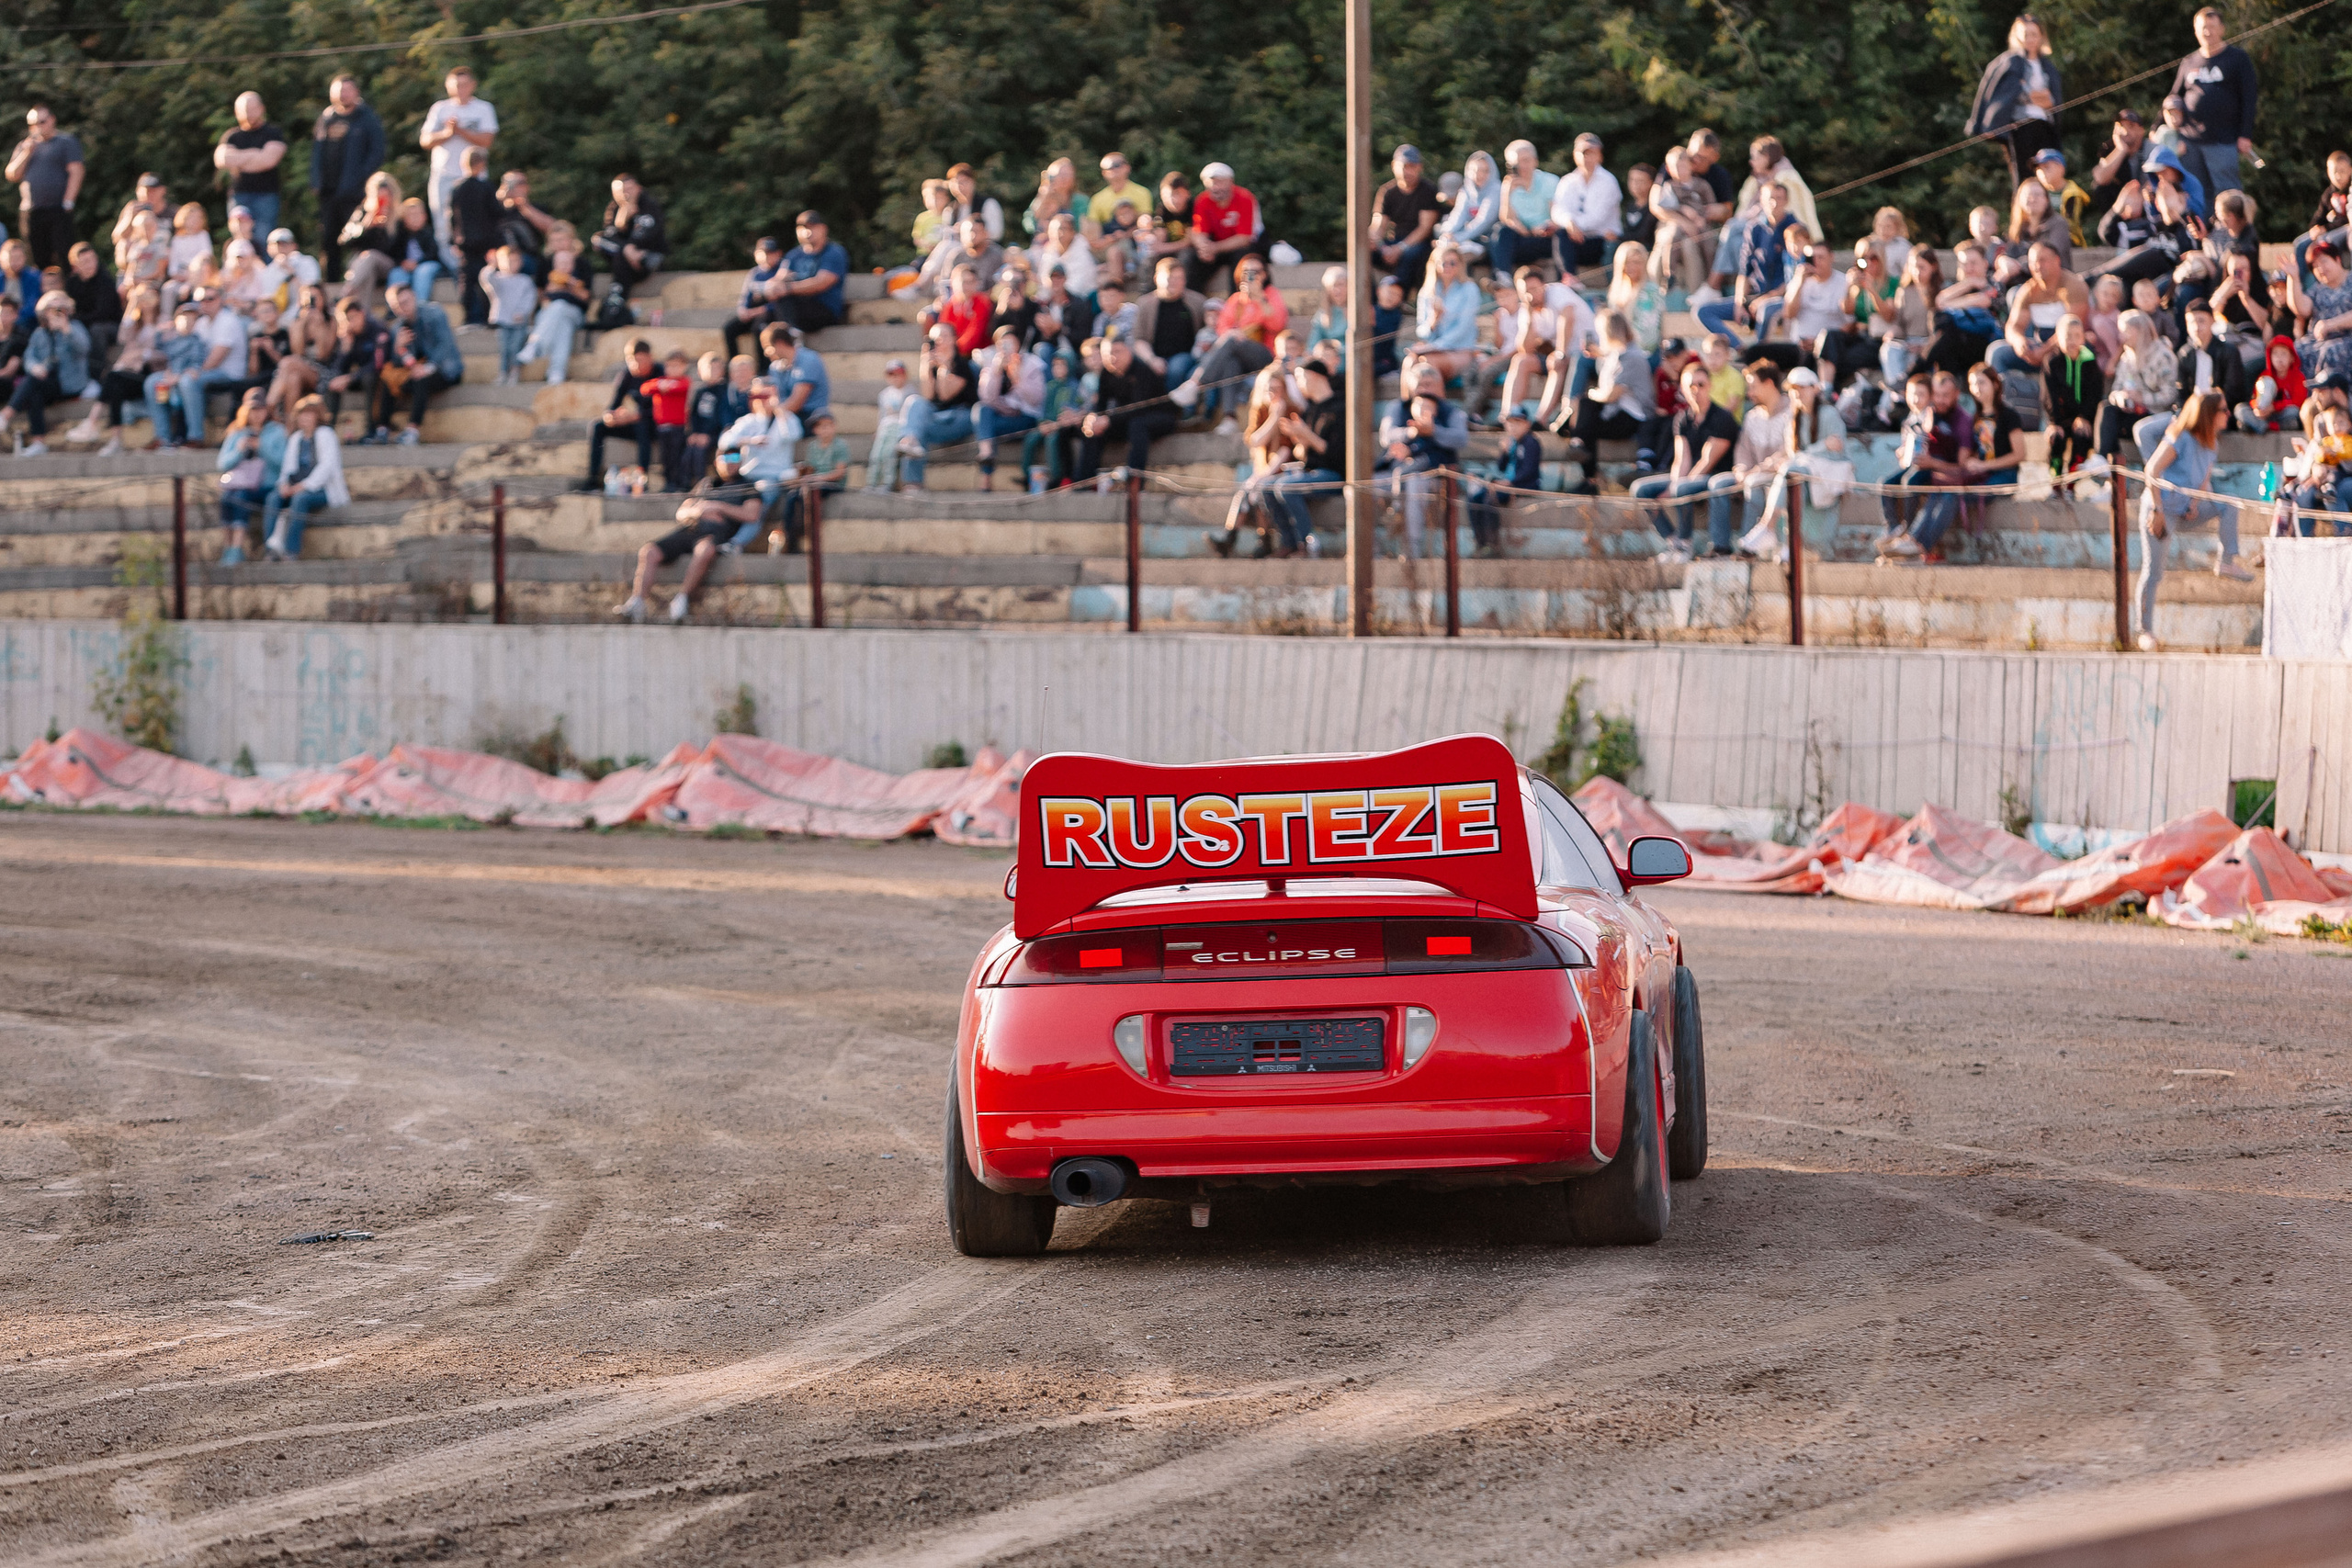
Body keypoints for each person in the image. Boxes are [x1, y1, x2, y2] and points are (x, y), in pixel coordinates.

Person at [2135, 389, 2251, 649]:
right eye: (2223, 410)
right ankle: (2144, 630)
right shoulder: (2181, 437)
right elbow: (2151, 471)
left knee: (2229, 503)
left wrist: (2196, 503)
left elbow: (2203, 479)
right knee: (2153, 572)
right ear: (2209, 413)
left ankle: (2227, 561)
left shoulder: (2212, 443)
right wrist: (2157, 511)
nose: (2228, 414)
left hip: (2186, 509)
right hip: (2161, 510)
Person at [613, 447, 764, 624]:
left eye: (735, 457)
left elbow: (752, 515)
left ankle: (682, 599)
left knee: (705, 550)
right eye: (725, 457)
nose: (730, 462)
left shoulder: (747, 486)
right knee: (649, 551)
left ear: (740, 462)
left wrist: (719, 507)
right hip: (692, 529)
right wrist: (699, 511)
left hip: (717, 532)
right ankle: (637, 602)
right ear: (716, 462)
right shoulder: (707, 484)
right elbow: (682, 512)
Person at [1633, 360, 1739, 560]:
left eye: (1701, 384)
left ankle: (1685, 544)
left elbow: (1707, 461)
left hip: (1716, 476)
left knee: (1682, 489)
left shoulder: (1722, 418)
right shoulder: (1682, 418)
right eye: (1691, 385)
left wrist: (1675, 489)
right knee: (1641, 489)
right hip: (1692, 476)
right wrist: (1673, 484)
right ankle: (1673, 542)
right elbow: (1682, 459)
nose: (1696, 389)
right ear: (1683, 388)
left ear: (1710, 386)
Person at [1742, 365, 1846, 558]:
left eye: (1802, 388)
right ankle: (1788, 544)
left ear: (1814, 388)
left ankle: (1767, 527)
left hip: (1828, 477)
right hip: (1805, 476)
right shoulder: (1793, 418)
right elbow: (1795, 453)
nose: (1798, 394)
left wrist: (1812, 452)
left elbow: (1835, 452)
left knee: (1792, 471)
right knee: (1786, 479)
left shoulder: (1828, 414)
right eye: (1793, 389)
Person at [1374, 362, 1468, 556]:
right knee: (1360, 489)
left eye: (1429, 384)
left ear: (1440, 386)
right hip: (1396, 471)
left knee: (1415, 483)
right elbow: (1386, 436)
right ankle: (1371, 551)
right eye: (1420, 384)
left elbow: (1460, 438)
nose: (1424, 389)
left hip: (1433, 474)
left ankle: (1411, 552)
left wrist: (1433, 431)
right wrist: (1412, 432)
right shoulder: (1398, 407)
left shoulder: (1450, 411)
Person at [1877, 371, 1971, 559]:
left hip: (1946, 477)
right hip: (1924, 469)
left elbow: (1962, 467)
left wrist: (1932, 463)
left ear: (1956, 395)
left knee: (1914, 482)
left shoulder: (1961, 421)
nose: (1940, 400)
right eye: (1937, 395)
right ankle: (1896, 529)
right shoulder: (1928, 415)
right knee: (1886, 483)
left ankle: (1911, 536)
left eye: (1946, 395)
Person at [1964, 14, 2064, 190]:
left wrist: (2032, 95)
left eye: (2034, 34)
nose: (2030, 39)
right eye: (2025, 34)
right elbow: (2008, 94)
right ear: (2017, 36)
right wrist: (2033, 96)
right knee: (2024, 178)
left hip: (2045, 127)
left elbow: (2051, 101)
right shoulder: (2010, 62)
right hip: (2020, 127)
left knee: (2048, 177)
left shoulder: (2047, 66)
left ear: (2041, 36)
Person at [2170, 6, 2258, 199]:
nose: (2207, 32)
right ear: (2195, 31)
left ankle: (2233, 230)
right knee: (2195, 194)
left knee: (2229, 196)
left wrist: (2245, 134)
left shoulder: (2237, 58)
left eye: (2211, 26)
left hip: (2223, 141)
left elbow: (2249, 98)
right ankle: (2204, 230)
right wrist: (2157, 126)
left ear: (2222, 29)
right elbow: (2174, 97)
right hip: (2190, 141)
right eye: (2202, 27)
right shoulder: (2189, 61)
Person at [1696, 179, 1799, 344]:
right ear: (1762, 201)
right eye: (1770, 198)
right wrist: (1739, 303)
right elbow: (1745, 271)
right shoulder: (1754, 228)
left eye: (1779, 198)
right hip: (1755, 296)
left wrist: (1766, 299)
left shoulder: (1794, 229)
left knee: (1766, 310)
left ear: (1786, 201)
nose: (1774, 203)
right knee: (1703, 311)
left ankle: (1757, 352)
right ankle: (1739, 347)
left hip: (1782, 298)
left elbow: (1794, 277)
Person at [310, 75, 385, 284]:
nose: (343, 94)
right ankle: (332, 283)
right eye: (339, 90)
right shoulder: (326, 118)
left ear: (356, 91)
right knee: (329, 240)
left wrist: (360, 177)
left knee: (357, 239)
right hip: (328, 193)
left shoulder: (367, 118)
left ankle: (358, 282)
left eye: (347, 89)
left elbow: (377, 152)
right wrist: (316, 181)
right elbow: (317, 153)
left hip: (355, 193)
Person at [1074, 332, 1174, 486]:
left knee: (1137, 425)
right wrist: (1093, 418)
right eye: (1108, 354)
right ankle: (1084, 482)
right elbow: (1101, 405)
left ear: (1129, 351)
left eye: (1118, 352)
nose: (1113, 357)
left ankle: (1135, 481)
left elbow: (1139, 408)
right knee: (1091, 429)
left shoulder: (1142, 370)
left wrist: (1108, 420)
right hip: (1127, 418)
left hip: (1159, 416)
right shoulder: (1106, 374)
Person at [370, 281, 460, 445]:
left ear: (414, 296)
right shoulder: (399, 327)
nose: (402, 308)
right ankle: (382, 429)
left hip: (445, 369)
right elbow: (401, 363)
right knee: (387, 378)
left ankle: (412, 431)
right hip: (417, 369)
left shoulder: (434, 313)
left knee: (421, 379)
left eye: (405, 302)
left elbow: (445, 346)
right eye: (396, 306)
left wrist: (427, 368)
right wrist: (399, 347)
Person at [418, 67, 496, 254]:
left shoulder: (483, 109)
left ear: (472, 85)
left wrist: (461, 131)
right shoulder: (440, 109)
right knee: (443, 225)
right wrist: (447, 133)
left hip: (474, 178)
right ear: (448, 86)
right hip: (444, 175)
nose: (460, 89)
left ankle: (475, 264)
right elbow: (425, 141)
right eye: (456, 85)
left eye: (464, 85)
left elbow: (487, 140)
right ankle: (452, 266)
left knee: (477, 221)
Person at [0, 292, 88, 456]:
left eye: (59, 309)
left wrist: (65, 329)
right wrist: (34, 367)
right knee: (35, 392)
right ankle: (39, 442)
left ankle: (6, 415)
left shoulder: (75, 328)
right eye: (51, 309)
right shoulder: (39, 333)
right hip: (45, 383)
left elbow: (83, 349)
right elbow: (29, 357)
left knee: (32, 384)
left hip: (69, 383)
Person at [1561, 309, 1655, 461]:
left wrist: (1591, 393)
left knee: (1586, 406)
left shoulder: (1631, 357)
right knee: (1587, 415)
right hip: (1617, 413)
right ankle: (1580, 451)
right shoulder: (1615, 355)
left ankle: (1578, 443)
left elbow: (1611, 395)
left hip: (1632, 418)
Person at [1989, 243, 2089, 380]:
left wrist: (2043, 351)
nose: (2037, 266)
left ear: (2057, 261)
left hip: (2067, 347)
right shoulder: (2028, 291)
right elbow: (2013, 326)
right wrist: (2019, 342)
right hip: (2038, 345)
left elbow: (2073, 330)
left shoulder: (2073, 286)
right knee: (1997, 353)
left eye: (2043, 260)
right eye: (2033, 262)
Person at [263, 395, 346, 558]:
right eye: (302, 414)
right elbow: (287, 469)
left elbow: (326, 467)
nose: (304, 418)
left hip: (322, 489)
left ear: (317, 416)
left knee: (300, 499)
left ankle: (291, 551)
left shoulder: (326, 434)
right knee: (274, 498)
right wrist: (284, 484)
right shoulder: (296, 438)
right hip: (297, 486)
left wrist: (303, 486)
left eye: (309, 414)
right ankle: (271, 548)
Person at [897, 321, 977, 491]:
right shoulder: (931, 364)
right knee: (914, 403)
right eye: (934, 338)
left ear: (953, 339)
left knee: (920, 428)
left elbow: (946, 394)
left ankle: (912, 441)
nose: (938, 341)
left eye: (942, 337)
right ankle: (913, 481)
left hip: (959, 419)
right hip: (936, 418)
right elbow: (927, 397)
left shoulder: (962, 364)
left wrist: (944, 368)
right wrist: (925, 366)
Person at [6, 106, 85, 272]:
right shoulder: (25, 146)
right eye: (32, 124)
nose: (37, 127)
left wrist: (68, 202)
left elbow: (76, 171)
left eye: (42, 121)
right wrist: (27, 152)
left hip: (58, 209)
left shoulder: (66, 142)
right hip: (31, 211)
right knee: (39, 259)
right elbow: (12, 174)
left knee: (65, 257)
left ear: (52, 119)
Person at [213, 389, 284, 563]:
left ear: (267, 410)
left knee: (240, 497)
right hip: (240, 483)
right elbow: (222, 464)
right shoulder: (237, 432)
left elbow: (283, 463)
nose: (257, 414)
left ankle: (237, 548)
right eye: (253, 409)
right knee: (227, 498)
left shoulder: (277, 431)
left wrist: (262, 447)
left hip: (266, 485)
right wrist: (239, 450)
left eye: (260, 409)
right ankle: (229, 547)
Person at [2098, 307, 2180, 456]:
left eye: (2125, 331)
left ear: (2140, 331)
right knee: (2107, 408)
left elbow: (2170, 395)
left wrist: (2142, 398)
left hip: (2157, 414)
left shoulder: (2163, 356)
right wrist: (2120, 397)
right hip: (2132, 412)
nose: (2121, 336)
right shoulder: (2126, 358)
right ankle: (2103, 458)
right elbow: (2115, 390)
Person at [972, 323, 1043, 491]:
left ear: (1018, 344)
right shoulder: (992, 364)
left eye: (1011, 343)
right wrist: (996, 372)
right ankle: (986, 456)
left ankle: (986, 474)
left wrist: (1018, 378)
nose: (1007, 348)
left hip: (1026, 418)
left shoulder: (1032, 363)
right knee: (982, 410)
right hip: (1002, 417)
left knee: (986, 430)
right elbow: (987, 398)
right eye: (1003, 344)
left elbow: (1036, 400)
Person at [1133, 256, 1211, 409]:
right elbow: (1139, 340)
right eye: (1169, 278)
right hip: (1153, 355)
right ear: (1156, 279)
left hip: (1186, 356)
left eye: (1178, 278)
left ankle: (1172, 410)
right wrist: (1152, 360)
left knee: (1176, 369)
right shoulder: (1144, 304)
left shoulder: (1198, 302)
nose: (1174, 282)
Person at [718, 378, 801, 518]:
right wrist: (750, 441)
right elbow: (724, 442)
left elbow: (793, 435)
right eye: (759, 396)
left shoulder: (788, 418)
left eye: (766, 396)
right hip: (749, 474)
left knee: (763, 496)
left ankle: (737, 538)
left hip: (775, 475)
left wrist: (779, 409)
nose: (763, 401)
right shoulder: (748, 421)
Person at [582, 339, 659, 490]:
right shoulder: (626, 376)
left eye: (640, 360)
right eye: (632, 361)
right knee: (598, 427)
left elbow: (660, 409)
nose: (636, 365)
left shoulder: (660, 372)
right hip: (634, 422)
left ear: (650, 358)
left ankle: (643, 479)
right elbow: (613, 405)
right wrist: (611, 417)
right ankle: (593, 479)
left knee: (642, 425)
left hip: (654, 425)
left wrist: (634, 416)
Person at [210, 92, 289, 239]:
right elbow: (222, 160)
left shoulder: (273, 133)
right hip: (239, 195)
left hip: (266, 195)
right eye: (244, 110)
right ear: (236, 112)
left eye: (253, 108)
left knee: (264, 239)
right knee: (240, 242)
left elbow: (268, 161)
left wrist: (240, 159)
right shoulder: (231, 136)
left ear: (262, 109)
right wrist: (255, 154)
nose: (249, 113)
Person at [516, 223, 587, 383]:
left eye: (562, 240)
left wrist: (569, 285)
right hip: (550, 312)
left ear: (571, 240)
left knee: (560, 307)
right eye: (554, 241)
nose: (558, 244)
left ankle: (535, 345)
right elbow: (541, 295)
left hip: (574, 311)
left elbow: (586, 297)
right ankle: (556, 373)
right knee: (563, 326)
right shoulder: (545, 263)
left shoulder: (581, 263)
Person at [1370, 145, 1442, 291]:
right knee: (1364, 253)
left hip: (1419, 243)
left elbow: (1424, 228)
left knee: (1410, 255)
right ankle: (1372, 300)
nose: (1406, 171)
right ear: (1393, 166)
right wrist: (1380, 246)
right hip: (1393, 241)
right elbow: (1378, 226)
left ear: (1419, 167)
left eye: (1412, 166)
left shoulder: (1427, 191)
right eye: (1403, 166)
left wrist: (1399, 249)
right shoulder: (1387, 192)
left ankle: (1399, 297)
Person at [2041, 313, 2107, 473]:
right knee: (2057, 439)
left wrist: (2084, 417)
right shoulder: (2052, 362)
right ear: (2058, 338)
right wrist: (2054, 422)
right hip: (2060, 417)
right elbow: (2049, 395)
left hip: (2082, 418)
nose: (2072, 340)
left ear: (2083, 339)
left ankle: (2072, 482)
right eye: (2067, 336)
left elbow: (2094, 394)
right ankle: (2055, 481)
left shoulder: (2090, 362)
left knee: (2082, 437)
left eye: (2077, 336)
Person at [1549, 133, 1622, 278]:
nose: (1587, 158)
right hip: (1576, 239)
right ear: (1575, 155)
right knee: (1560, 236)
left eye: (1591, 153)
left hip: (1602, 241)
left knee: (1564, 236)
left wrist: (1573, 226)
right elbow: (1558, 209)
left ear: (1600, 156)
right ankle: (1568, 279)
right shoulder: (1568, 181)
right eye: (1583, 153)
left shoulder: (1608, 182)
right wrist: (1569, 222)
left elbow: (1598, 217)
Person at [2281, 240, 2352, 387]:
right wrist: (2293, 279)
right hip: (2318, 340)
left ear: (2337, 259)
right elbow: (2301, 309)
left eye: (2324, 262)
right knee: (2295, 350)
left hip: (2346, 339)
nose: (2320, 269)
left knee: (2331, 351)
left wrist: (2330, 324)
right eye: (2315, 266)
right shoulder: (2318, 289)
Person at [1409, 242, 1482, 387]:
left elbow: (1463, 330)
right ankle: (1410, 407)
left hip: (1461, 351)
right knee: (1409, 362)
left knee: (1428, 364)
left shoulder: (1469, 289)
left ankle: (1436, 408)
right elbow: (1422, 333)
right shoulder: (1427, 292)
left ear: (1460, 265)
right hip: (1434, 350)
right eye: (1443, 263)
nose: (1447, 267)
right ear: (1435, 264)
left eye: (1452, 263)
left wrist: (1434, 346)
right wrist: (1434, 320)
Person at [775, 411, 849, 551]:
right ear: (815, 430)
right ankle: (791, 537)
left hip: (832, 484)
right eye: (821, 426)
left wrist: (817, 478)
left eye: (828, 425)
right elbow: (811, 468)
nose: (825, 429)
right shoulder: (813, 446)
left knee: (807, 495)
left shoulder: (840, 445)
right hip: (814, 482)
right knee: (792, 497)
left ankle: (807, 529)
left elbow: (839, 473)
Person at [1187, 164, 1265, 294]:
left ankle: (1236, 301)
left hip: (1245, 246)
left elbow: (1245, 238)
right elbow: (1199, 231)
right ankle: (1192, 301)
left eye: (1220, 182)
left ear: (1231, 182)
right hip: (1217, 245)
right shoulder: (1202, 200)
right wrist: (1204, 248)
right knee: (1190, 257)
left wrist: (1214, 248)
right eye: (1211, 183)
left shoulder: (1245, 198)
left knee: (1243, 257)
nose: (1215, 187)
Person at [1490, 140, 1561, 280]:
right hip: (1524, 237)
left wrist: (1541, 228)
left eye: (1526, 160)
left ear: (1535, 161)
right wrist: (1507, 193)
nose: (1521, 166)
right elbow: (1506, 218)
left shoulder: (1550, 182)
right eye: (1516, 163)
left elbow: (1557, 216)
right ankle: (1503, 277)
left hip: (1546, 238)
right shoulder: (1510, 185)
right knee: (1500, 231)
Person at [447, 145, 500, 326]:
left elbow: (452, 218)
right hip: (485, 244)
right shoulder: (485, 187)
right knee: (486, 281)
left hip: (466, 244)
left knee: (467, 283)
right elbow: (497, 213)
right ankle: (487, 317)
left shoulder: (458, 188)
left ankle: (470, 317)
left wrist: (454, 241)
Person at [772, 211, 848, 335]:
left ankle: (791, 339)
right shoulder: (793, 255)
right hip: (797, 308)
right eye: (803, 228)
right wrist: (773, 287)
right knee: (761, 322)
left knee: (784, 298)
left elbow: (821, 283)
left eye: (812, 227)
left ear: (823, 229)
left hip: (824, 309)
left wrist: (788, 288)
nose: (807, 232)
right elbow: (779, 279)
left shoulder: (834, 252)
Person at [1648, 147, 1713, 291]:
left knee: (1708, 243)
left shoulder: (1702, 185)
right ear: (1669, 169)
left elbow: (1711, 206)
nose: (1680, 170)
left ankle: (1712, 280)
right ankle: (1669, 273)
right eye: (1675, 167)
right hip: (1676, 224)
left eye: (1683, 166)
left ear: (1691, 166)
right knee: (1674, 234)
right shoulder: (1668, 187)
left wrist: (1701, 217)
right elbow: (1664, 207)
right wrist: (1683, 211)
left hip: (1699, 225)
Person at [592, 174, 667, 298]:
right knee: (599, 240)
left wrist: (632, 246)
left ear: (639, 188)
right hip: (626, 259)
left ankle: (615, 301)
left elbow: (651, 233)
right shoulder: (615, 209)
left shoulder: (649, 205)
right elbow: (609, 237)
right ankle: (616, 304)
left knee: (622, 259)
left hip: (644, 257)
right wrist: (622, 222)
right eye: (622, 191)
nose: (626, 194)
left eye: (630, 189)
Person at [2177, 298, 2252, 410]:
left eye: (2201, 321)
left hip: (2219, 413)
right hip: (2192, 413)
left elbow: (2233, 394)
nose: (2196, 327)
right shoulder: (2184, 354)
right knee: (2146, 427)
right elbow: (2181, 393)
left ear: (2212, 321)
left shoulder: (2229, 352)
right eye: (2192, 322)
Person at [918, 215, 1005, 299]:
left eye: (976, 231)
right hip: (957, 302)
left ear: (986, 234)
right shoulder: (956, 255)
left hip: (986, 304)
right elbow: (944, 283)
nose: (971, 235)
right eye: (967, 232)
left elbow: (1001, 284)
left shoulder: (997, 255)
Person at [642, 348, 694, 491]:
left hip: (678, 427)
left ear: (684, 367)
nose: (673, 369)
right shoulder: (660, 381)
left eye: (677, 366)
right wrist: (660, 386)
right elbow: (645, 388)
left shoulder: (684, 381)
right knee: (665, 457)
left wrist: (666, 387)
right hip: (662, 427)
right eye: (670, 366)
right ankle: (668, 482)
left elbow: (680, 388)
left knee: (676, 456)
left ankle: (679, 483)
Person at [1440, 152, 1501, 265]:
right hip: (1469, 238)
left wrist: (1458, 237)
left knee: (1460, 256)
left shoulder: (1496, 190)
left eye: (1485, 171)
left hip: (1489, 240)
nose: (1480, 175)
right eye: (1475, 170)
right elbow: (1458, 215)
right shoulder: (1466, 190)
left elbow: (1484, 221)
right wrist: (1447, 232)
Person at [2090, 108, 2153, 218]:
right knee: (2099, 189)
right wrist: (2121, 150)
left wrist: (2138, 198)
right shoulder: (2110, 148)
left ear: (2141, 130)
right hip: (2121, 205)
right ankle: (2113, 227)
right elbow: (2100, 178)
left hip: (2145, 200)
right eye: (2120, 126)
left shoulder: (2151, 149)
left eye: (2131, 126)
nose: (2124, 131)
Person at [2240, 334, 2306, 432]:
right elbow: (2255, 398)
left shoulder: (2299, 377)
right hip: (2264, 415)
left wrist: (2274, 408)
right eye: (2275, 354)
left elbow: (2298, 402)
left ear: (2292, 357)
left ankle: (2263, 427)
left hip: (2282, 415)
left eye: (2284, 354)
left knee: (2293, 412)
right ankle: (2263, 426)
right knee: (2240, 409)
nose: (2279, 359)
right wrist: (2257, 409)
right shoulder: (2264, 376)